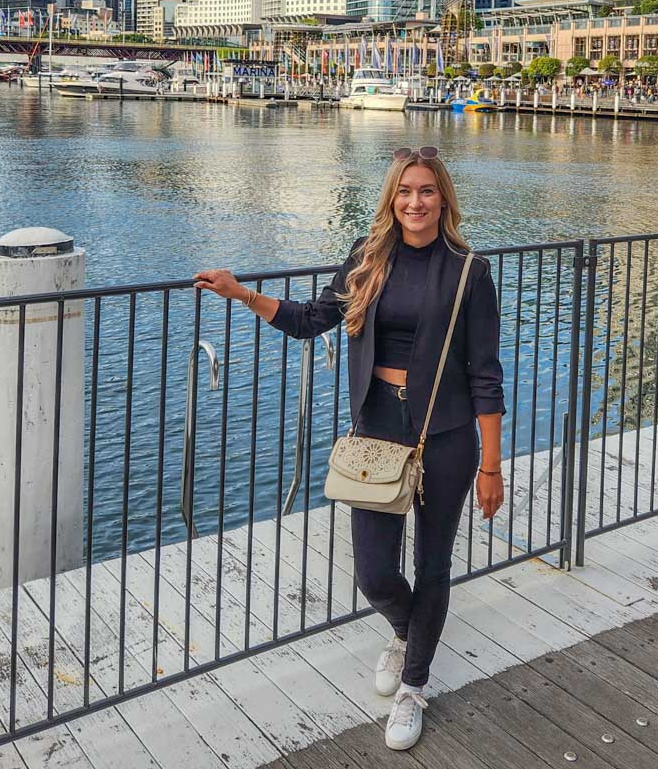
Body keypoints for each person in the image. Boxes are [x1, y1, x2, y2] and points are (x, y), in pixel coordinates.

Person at [193, 147, 506, 752]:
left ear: (444, 199)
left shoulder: (469, 270)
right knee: (374, 572)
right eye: (405, 192)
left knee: (433, 562)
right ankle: (406, 631)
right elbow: (313, 319)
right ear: (392, 199)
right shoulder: (368, 260)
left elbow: (487, 374)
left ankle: (414, 685)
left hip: (444, 435)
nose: (415, 202)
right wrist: (242, 294)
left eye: (427, 192)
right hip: (377, 430)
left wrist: (490, 465)